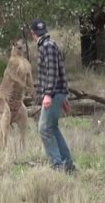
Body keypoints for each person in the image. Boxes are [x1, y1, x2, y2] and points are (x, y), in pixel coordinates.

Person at [30, 18, 76, 173]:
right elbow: (60, 71)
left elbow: (52, 72)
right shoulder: (50, 45)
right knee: (52, 128)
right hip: (58, 93)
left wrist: (49, 94)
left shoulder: (46, 46)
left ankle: (57, 166)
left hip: (54, 93)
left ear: (32, 34)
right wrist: (63, 97)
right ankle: (68, 165)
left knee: (44, 128)